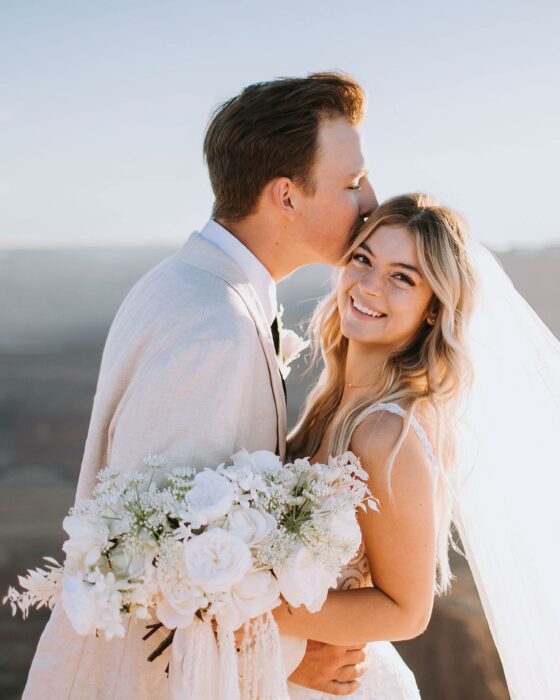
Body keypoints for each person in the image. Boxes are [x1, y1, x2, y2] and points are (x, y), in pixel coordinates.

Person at [22, 72, 378, 699]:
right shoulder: (212, 329)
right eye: (351, 184)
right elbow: (160, 569)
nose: (371, 201)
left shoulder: (200, 283)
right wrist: (291, 661)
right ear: (286, 197)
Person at [280, 193, 478, 698]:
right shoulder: (330, 406)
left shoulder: (387, 433)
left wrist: (247, 615)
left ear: (433, 311)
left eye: (402, 277)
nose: (368, 285)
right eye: (363, 260)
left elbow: (407, 611)